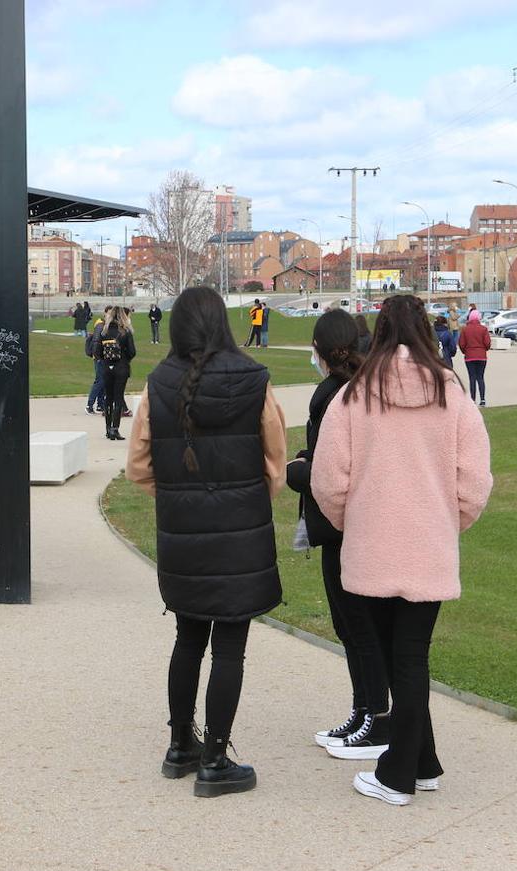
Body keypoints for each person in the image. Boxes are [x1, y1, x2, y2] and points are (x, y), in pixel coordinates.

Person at [311, 293, 493, 806]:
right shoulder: (452, 394)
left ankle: (397, 773)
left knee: (402, 660)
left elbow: (329, 480)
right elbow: (474, 481)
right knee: (407, 657)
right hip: (425, 541)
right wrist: (444, 522)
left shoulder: (354, 397)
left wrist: (359, 521)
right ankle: (423, 759)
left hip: (375, 542)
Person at [125, 285, 287, 798]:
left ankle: (180, 746)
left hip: (184, 531)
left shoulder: (157, 385)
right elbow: (275, 465)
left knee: (189, 639)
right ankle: (215, 756)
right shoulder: (254, 381)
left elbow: (138, 468)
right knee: (230, 648)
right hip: (240, 533)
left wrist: (180, 494)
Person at [284, 311, 382, 752]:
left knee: (358, 625)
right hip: (349, 521)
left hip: (342, 521)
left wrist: (300, 471)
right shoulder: (359, 389)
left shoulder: (337, 395)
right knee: (351, 626)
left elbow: (338, 468)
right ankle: (364, 710)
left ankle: (374, 714)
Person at [95, 306, 136, 441]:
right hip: (121, 367)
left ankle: (107, 428)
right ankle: (115, 428)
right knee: (118, 398)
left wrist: (106, 359)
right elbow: (132, 352)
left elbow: (97, 352)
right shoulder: (125, 332)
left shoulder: (104, 331)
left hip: (107, 367)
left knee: (108, 397)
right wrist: (124, 358)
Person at [458, 308, 491, 406]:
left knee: (472, 378)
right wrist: (484, 349)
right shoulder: (483, 329)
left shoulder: (465, 329)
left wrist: (465, 352)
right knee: (480, 377)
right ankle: (483, 399)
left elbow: (461, 344)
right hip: (481, 356)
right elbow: (487, 343)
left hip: (469, 356)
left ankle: (473, 399)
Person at [85, 307, 110, 415]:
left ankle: (100, 404)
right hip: (99, 357)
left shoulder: (105, 325)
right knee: (100, 381)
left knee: (103, 381)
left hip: (104, 357)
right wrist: (98, 356)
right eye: (109, 313)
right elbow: (96, 341)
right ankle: (89, 405)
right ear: (105, 313)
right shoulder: (100, 325)